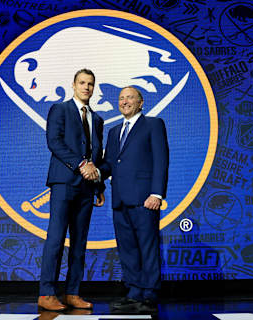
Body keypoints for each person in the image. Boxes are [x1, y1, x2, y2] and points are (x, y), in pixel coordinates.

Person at [38, 69, 105, 311]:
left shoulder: (97, 119)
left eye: (90, 84)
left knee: (80, 242)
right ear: (73, 85)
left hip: (87, 186)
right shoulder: (60, 109)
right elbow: (54, 142)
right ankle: (46, 293)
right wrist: (80, 164)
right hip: (64, 182)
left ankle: (73, 292)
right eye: (82, 83)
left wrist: (99, 185)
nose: (86, 87)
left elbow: (98, 154)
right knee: (56, 238)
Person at [98, 86, 169, 313]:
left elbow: (161, 160)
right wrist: (96, 174)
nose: (125, 101)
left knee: (147, 248)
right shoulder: (113, 131)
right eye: (121, 98)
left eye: (130, 97)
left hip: (144, 200)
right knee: (127, 249)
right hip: (119, 200)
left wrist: (156, 194)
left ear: (141, 103)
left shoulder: (153, 125)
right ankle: (134, 293)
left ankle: (149, 295)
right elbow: (110, 163)